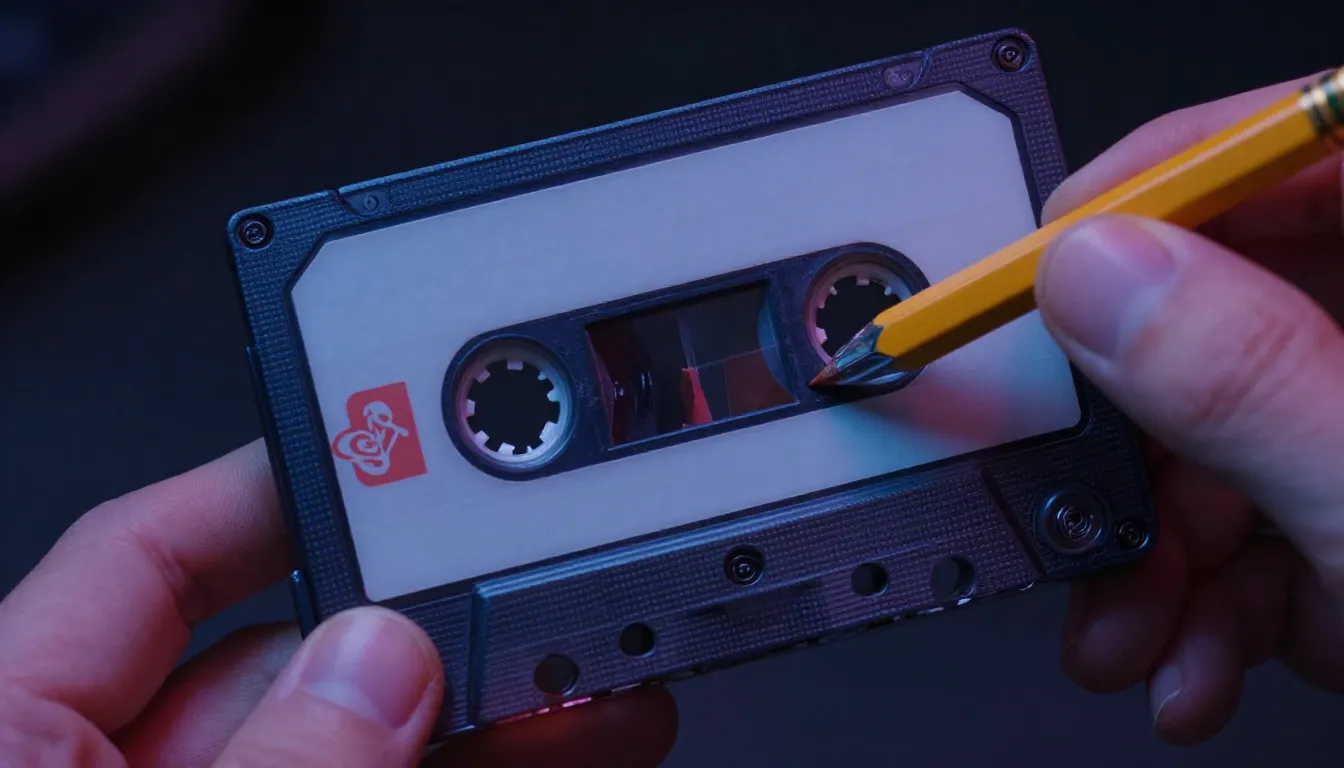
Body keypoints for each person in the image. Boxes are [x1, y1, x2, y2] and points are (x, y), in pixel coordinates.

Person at [2, 72, 1342, 767]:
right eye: (512, 407)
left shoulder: (963, 128)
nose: (850, 334)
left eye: (852, 309)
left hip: (1016, 473)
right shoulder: (325, 280)